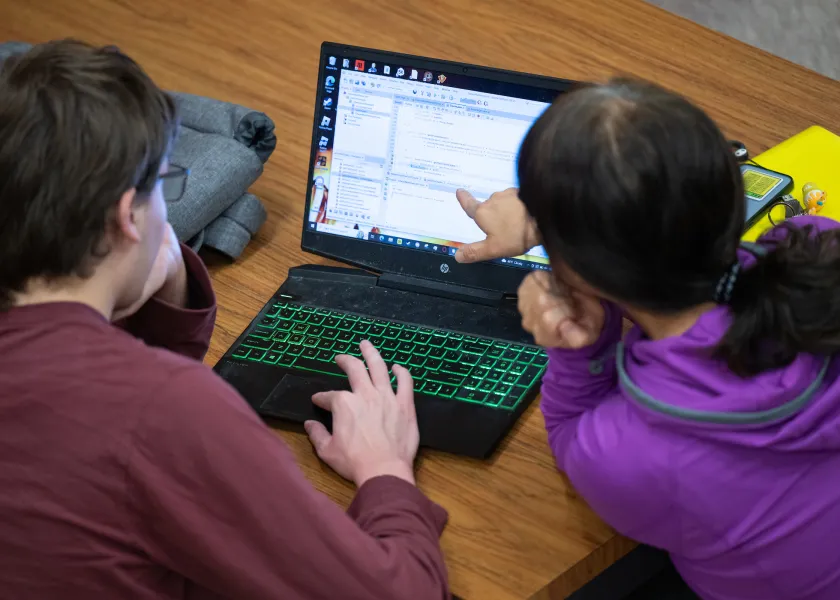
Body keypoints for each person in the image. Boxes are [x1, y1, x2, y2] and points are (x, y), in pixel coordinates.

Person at [0, 40, 448, 599]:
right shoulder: (164, 411)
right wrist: (386, 470)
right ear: (126, 216)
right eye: (163, 186)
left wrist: (164, 276)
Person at [455, 79, 840, 600]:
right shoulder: (819, 247)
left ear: (584, 273)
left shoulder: (630, 455)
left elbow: (569, 437)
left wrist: (577, 340)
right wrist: (569, 237)